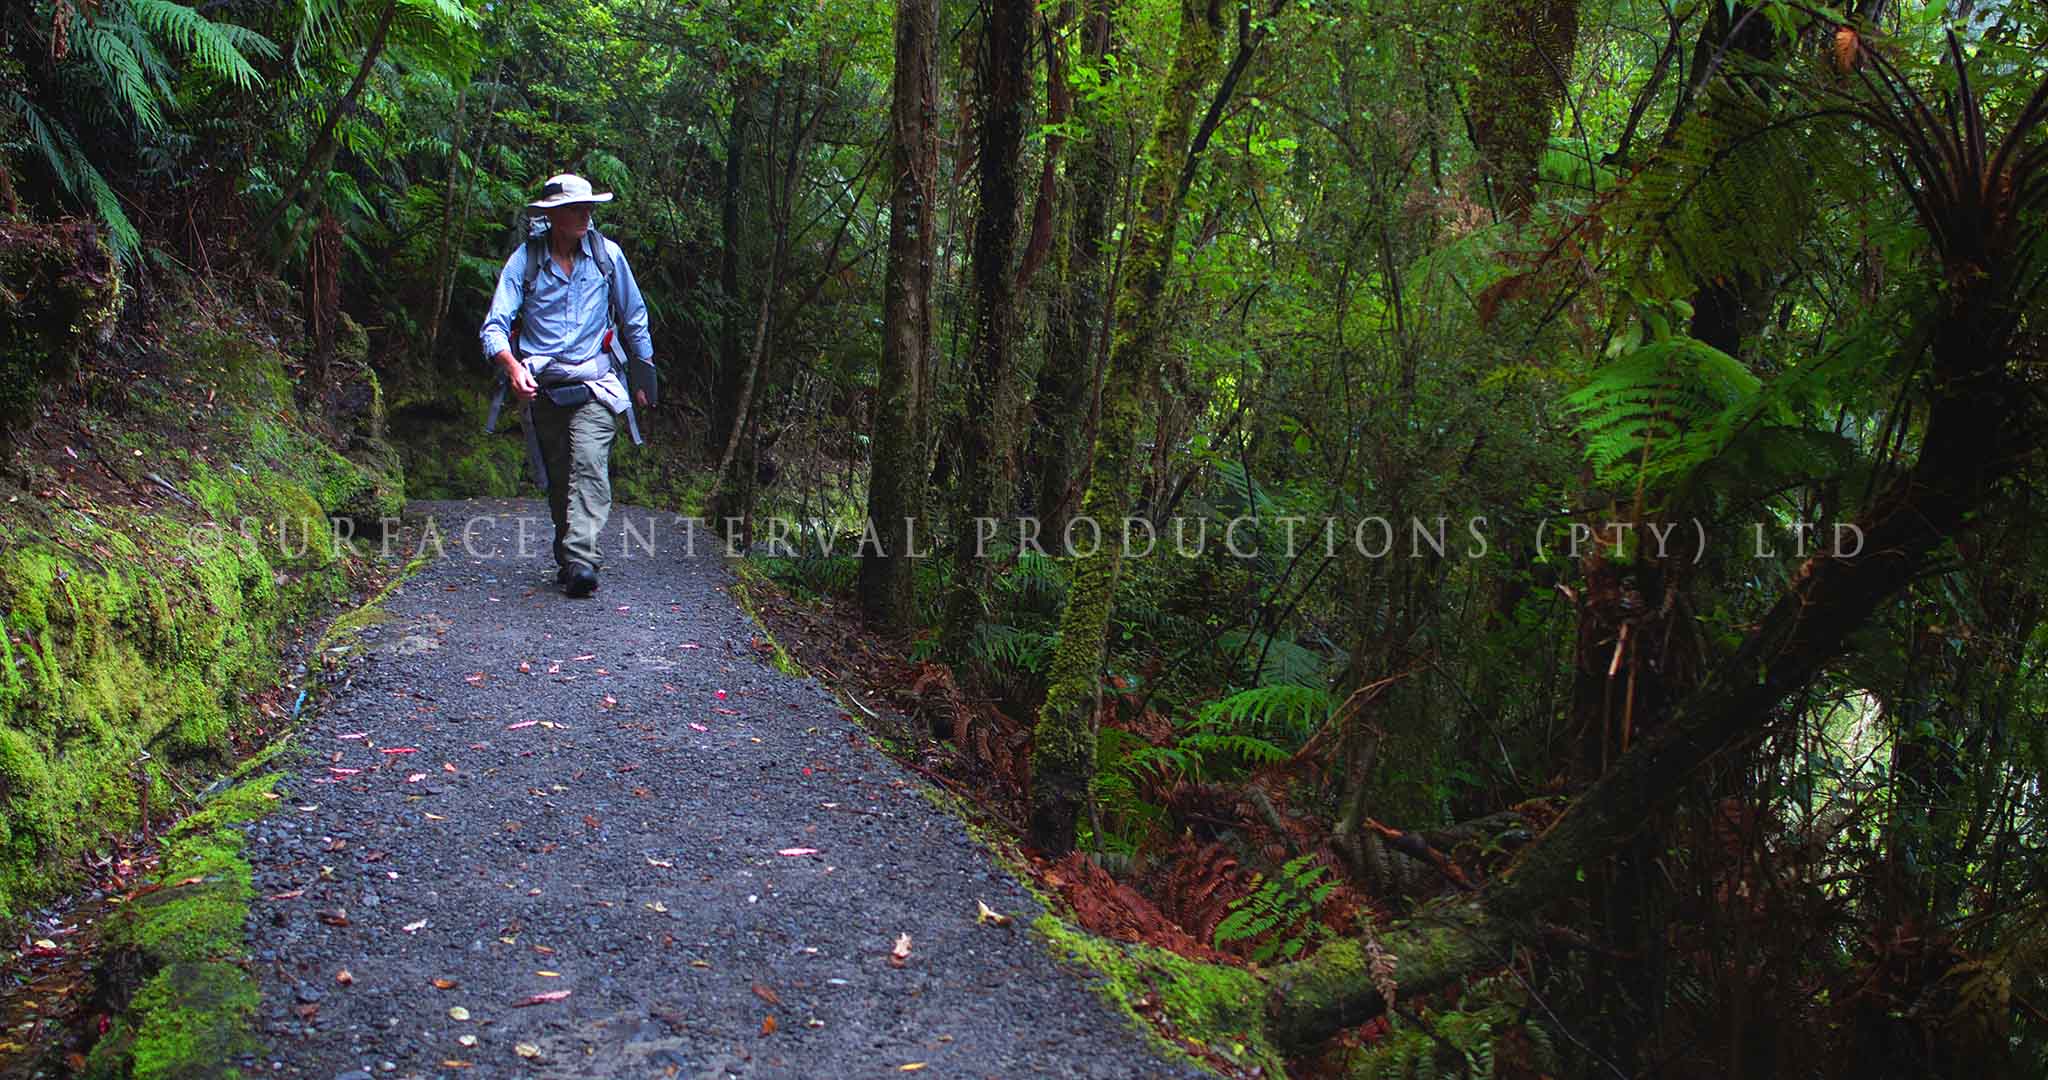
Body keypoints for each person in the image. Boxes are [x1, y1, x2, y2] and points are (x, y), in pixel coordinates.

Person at [481, 174, 656, 597]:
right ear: (553, 215)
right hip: (543, 387)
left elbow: (633, 316)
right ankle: (569, 554)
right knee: (560, 478)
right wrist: (511, 367)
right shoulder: (525, 260)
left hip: (596, 383)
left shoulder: (607, 256)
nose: (586, 214)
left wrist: (644, 373)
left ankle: (582, 560)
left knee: (589, 462)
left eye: (588, 207)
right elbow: (494, 327)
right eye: (577, 208)